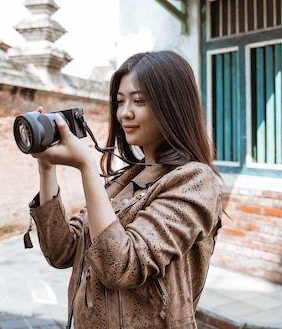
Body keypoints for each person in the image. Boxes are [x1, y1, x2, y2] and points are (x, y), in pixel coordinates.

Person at [27, 50, 223, 329]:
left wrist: (86, 166)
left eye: (139, 101)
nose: (124, 112)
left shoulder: (194, 181)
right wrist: (46, 168)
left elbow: (120, 266)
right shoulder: (126, 179)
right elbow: (61, 251)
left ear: (173, 105)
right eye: (120, 101)